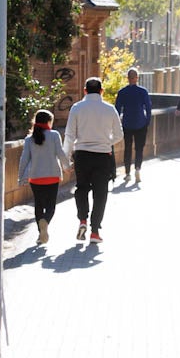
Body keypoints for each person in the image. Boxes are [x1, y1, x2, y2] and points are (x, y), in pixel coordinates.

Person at [63, 77, 124, 243]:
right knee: (100, 193)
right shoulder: (110, 109)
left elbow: (69, 135)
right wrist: (105, 142)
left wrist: (65, 160)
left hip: (82, 154)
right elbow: (119, 135)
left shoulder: (76, 108)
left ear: (84, 91)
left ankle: (82, 219)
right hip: (102, 156)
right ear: (101, 91)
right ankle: (95, 231)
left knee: (81, 188)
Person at [18, 109, 70, 246]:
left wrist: (20, 177)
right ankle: (45, 222)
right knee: (51, 206)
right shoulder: (54, 135)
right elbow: (60, 153)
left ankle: (41, 234)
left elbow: (24, 159)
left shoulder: (29, 139)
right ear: (48, 122)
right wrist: (67, 166)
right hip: (52, 176)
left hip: (35, 178)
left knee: (39, 206)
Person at [114, 67, 152, 185]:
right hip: (140, 122)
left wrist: (116, 124)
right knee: (139, 148)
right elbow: (148, 107)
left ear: (127, 78)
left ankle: (127, 173)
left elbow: (117, 110)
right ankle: (137, 169)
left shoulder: (122, 92)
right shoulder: (143, 91)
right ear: (137, 78)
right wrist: (147, 121)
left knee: (128, 148)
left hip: (127, 123)